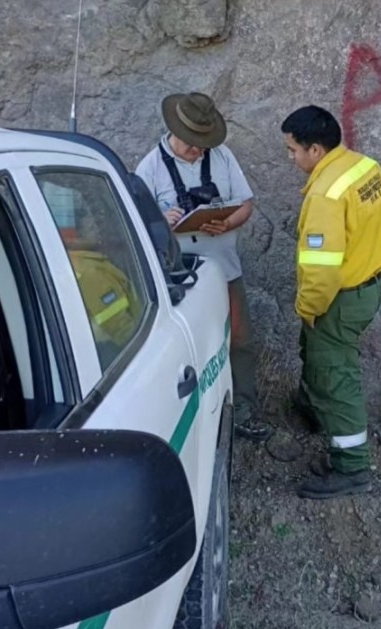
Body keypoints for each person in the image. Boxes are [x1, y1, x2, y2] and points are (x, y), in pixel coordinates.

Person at [136, 92, 273, 442]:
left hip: (225, 267)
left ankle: (243, 409)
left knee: (241, 340)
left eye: (204, 144)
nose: (199, 150)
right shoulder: (150, 167)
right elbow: (136, 226)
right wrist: (160, 221)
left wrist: (228, 222)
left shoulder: (223, 157)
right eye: (193, 144)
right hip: (178, 275)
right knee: (186, 349)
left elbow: (246, 203)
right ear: (175, 132)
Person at [280, 105, 381, 499]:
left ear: (315, 150)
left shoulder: (326, 196)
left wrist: (308, 309)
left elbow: (321, 270)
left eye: (293, 150)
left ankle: (351, 467)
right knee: (318, 360)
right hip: (367, 286)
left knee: (336, 379)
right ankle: (313, 412)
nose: (291, 158)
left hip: (337, 300)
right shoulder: (364, 167)